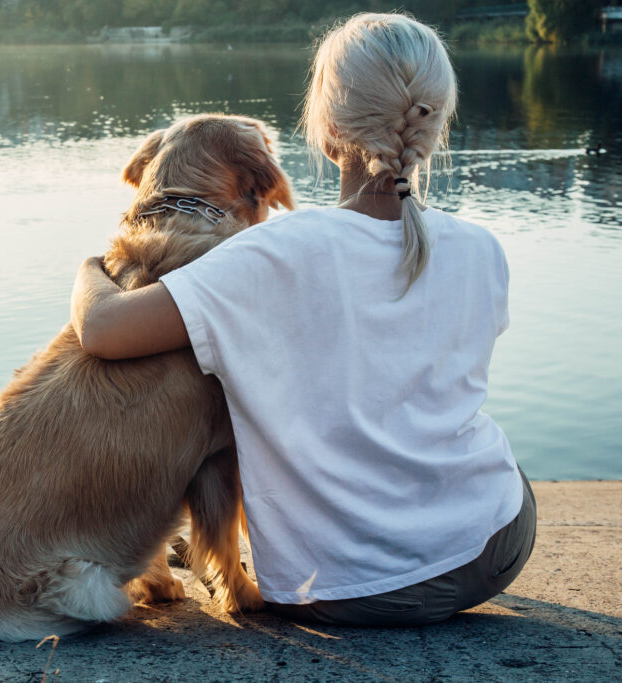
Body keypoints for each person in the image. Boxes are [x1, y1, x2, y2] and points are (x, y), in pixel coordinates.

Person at [69, 12, 535, 626]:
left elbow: (103, 330)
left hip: (344, 589)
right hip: (493, 549)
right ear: (437, 120)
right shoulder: (484, 250)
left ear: (327, 127)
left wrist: (92, 264)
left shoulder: (275, 252)